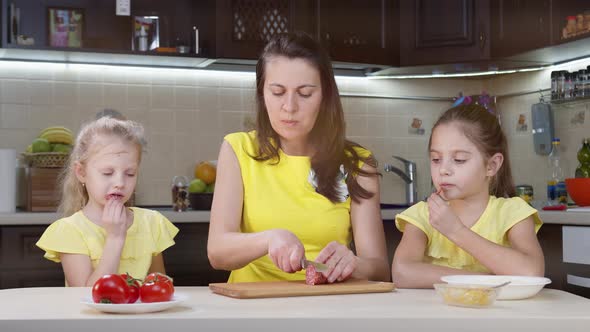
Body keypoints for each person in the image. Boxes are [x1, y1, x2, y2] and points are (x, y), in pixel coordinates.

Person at [207, 32, 389, 283]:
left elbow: (379, 269)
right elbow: (217, 252)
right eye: (278, 92)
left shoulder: (358, 164)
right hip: (252, 309)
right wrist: (268, 239)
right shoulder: (238, 149)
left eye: (304, 93)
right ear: (262, 94)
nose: (290, 106)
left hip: (326, 309)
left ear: (325, 97)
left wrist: (353, 265)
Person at [392, 104, 545, 288]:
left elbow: (532, 273)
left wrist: (456, 231)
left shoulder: (513, 213)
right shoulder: (422, 215)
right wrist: (480, 280)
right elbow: (402, 273)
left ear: (492, 165)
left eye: (459, 160)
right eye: (436, 159)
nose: (443, 170)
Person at [36, 117, 179, 286]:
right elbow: (87, 295)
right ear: (81, 172)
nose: (120, 182)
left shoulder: (151, 223)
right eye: (107, 173)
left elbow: (158, 287)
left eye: (130, 173)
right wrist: (115, 238)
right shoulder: (70, 230)